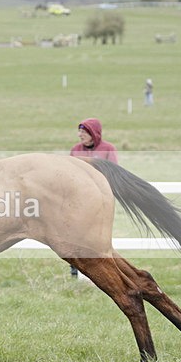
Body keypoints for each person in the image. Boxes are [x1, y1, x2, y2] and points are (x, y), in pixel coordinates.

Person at [69, 118, 118, 277]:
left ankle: (106, 270)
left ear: (93, 133)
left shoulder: (108, 149)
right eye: (79, 131)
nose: (79, 135)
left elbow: (114, 173)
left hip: (100, 199)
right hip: (79, 199)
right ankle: (75, 268)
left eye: (83, 132)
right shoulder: (75, 150)